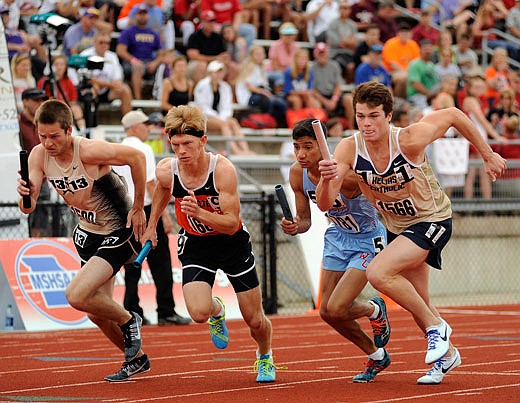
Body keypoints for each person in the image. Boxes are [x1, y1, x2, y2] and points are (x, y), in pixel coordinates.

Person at [316, 81, 507, 384]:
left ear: (389, 115)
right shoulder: (349, 148)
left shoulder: (409, 139)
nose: (366, 124)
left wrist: (486, 154)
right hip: (397, 227)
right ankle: (447, 356)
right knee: (419, 299)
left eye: (374, 116)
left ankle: (438, 328)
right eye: (361, 116)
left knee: (378, 273)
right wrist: (326, 181)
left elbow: (455, 114)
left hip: (432, 219)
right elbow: (326, 204)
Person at [140, 104, 278, 382]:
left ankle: (265, 356)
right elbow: (162, 192)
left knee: (254, 319)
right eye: (175, 144)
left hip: (231, 243)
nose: (181, 151)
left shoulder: (222, 170)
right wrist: (152, 225)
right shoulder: (168, 170)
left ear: (203, 141)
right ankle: (217, 310)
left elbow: (230, 223)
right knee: (199, 313)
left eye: (188, 144)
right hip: (196, 243)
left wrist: (200, 212)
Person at [16, 99, 150, 382]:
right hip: (88, 233)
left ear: (67, 131)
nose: (48, 143)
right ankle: (136, 359)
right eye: (42, 136)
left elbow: (136, 158)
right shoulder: (39, 155)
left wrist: (138, 207)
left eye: (54, 136)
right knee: (95, 312)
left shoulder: (88, 150)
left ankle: (130, 319)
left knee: (76, 295)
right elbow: (28, 207)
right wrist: (23, 193)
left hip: (118, 226)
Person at [280, 118, 391, 383]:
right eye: (296, 147)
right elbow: (306, 221)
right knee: (327, 312)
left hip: (367, 238)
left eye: (308, 147)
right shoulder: (297, 173)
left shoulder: (348, 177)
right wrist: (294, 225)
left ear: (323, 146)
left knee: (339, 306)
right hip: (337, 238)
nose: (301, 154)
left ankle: (374, 309)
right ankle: (377, 356)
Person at [112, 110, 191, 326]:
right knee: (161, 262)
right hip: (145, 210)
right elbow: (151, 185)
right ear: (135, 127)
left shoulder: (116, 149)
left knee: (131, 263)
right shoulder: (143, 148)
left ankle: (131, 312)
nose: (148, 128)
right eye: (145, 125)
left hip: (122, 212)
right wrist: (163, 216)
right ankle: (166, 310)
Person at [18, 88, 51, 238]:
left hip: (45, 177)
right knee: (27, 215)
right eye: (36, 100)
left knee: (42, 219)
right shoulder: (17, 124)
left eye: (42, 100)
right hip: (25, 177)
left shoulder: (43, 123)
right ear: (25, 101)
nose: (40, 103)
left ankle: (39, 243)